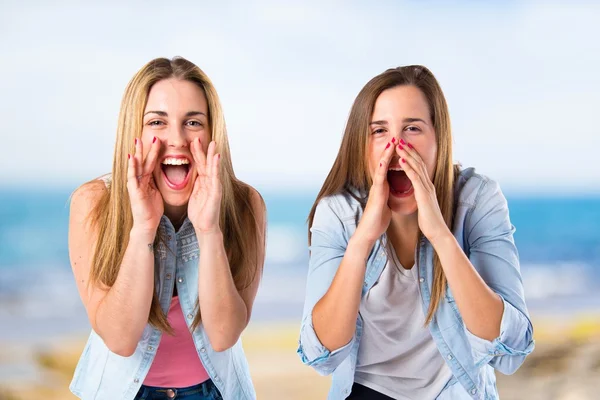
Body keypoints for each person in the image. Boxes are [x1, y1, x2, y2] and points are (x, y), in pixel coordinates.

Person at [297, 65, 534, 399]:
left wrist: (440, 234)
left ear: (439, 138)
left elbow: (511, 351)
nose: (397, 146)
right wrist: (362, 241)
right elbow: (320, 353)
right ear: (360, 144)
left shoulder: (477, 200)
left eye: (413, 128)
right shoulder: (338, 213)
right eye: (379, 131)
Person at [68, 57, 265, 400]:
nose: (176, 139)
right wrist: (142, 230)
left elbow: (223, 335)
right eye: (157, 121)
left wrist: (209, 230)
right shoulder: (92, 203)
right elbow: (120, 338)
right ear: (135, 133)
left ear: (212, 132)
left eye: (192, 122)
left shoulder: (246, 205)